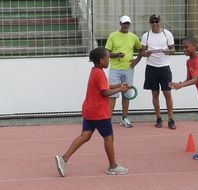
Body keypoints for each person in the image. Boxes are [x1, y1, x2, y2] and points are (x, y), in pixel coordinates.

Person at [54, 47, 129, 177]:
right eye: (107, 58)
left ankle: (63, 158)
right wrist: (120, 90)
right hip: (99, 113)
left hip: (90, 110)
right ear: (101, 60)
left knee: (85, 136)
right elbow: (104, 92)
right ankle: (113, 166)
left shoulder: (95, 71)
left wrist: (118, 86)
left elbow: (104, 86)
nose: (109, 60)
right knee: (109, 138)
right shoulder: (99, 73)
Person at [105, 15, 142, 128]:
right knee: (112, 95)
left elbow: (141, 50)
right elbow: (106, 52)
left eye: (127, 24)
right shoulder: (113, 36)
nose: (126, 25)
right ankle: (108, 119)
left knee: (126, 94)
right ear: (120, 24)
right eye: (124, 23)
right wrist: (116, 55)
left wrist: (136, 60)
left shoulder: (133, 37)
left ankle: (124, 118)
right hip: (115, 69)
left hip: (128, 70)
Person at [140, 14, 176, 129]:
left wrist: (168, 51)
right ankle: (158, 118)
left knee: (167, 93)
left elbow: (173, 49)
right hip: (151, 67)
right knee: (155, 93)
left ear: (160, 22)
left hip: (164, 67)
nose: (155, 23)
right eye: (152, 21)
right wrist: (146, 53)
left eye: (157, 21)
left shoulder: (167, 34)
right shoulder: (146, 35)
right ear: (149, 23)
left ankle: (171, 119)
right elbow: (142, 52)